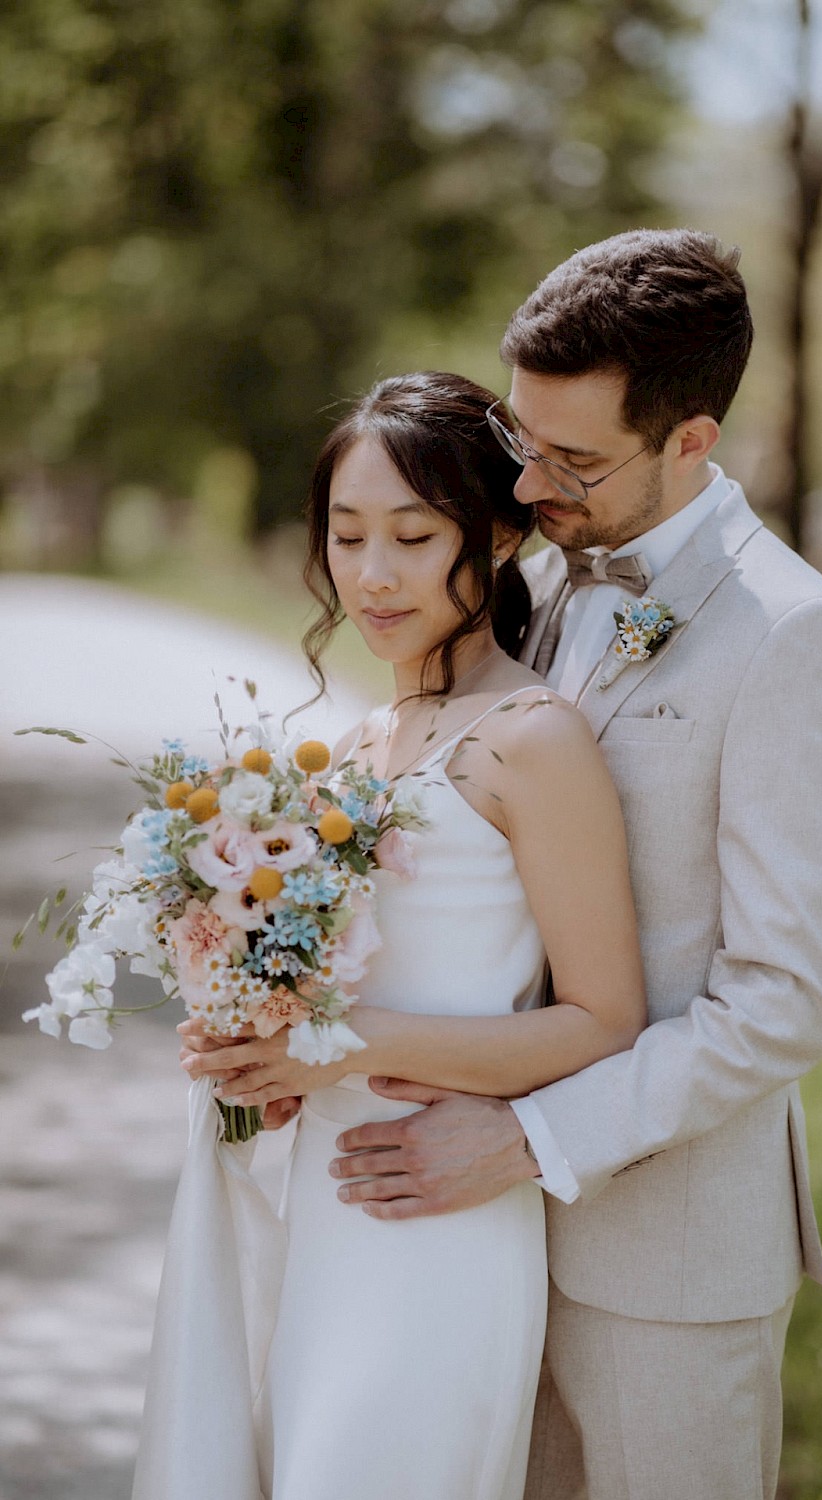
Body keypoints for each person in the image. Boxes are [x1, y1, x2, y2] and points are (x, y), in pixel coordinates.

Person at [324, 230, 822, 1500]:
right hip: (474, 1246)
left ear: (692, 439)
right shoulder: (533, 580)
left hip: (663, 1264)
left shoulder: (797, 637)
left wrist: (529, 1137)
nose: (528, 485)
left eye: (573, 460)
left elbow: (782, 1002)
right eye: (520, 440)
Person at [141, 370, 647, 1500]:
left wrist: (344, 1044)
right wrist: (258, 1044)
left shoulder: (533, 738)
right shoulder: (365, 740)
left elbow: (605, 1022)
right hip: (325, 1205)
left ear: (500, 535)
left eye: (414, 538)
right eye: (348, 534)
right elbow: (341, 984)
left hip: (440, 1220)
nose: (372, 574)